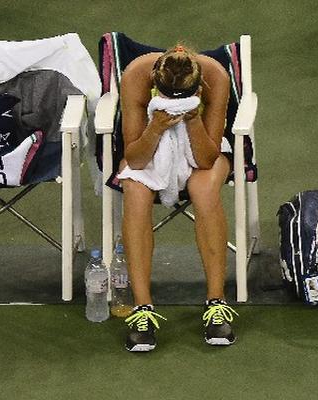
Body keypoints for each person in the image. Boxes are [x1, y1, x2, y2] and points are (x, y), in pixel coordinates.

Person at [118, 44, 239, 352]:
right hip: (149, 151)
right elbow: (135, 159)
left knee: (204, 188)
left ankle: (216, 303)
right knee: (134, 189)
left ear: (199, 88)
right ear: (154, 85)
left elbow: (206, 159)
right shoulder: (135, 76)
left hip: (203, 152)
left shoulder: (215, 75)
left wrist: (193, 118)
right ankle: (141, 308)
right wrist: (156, 128)